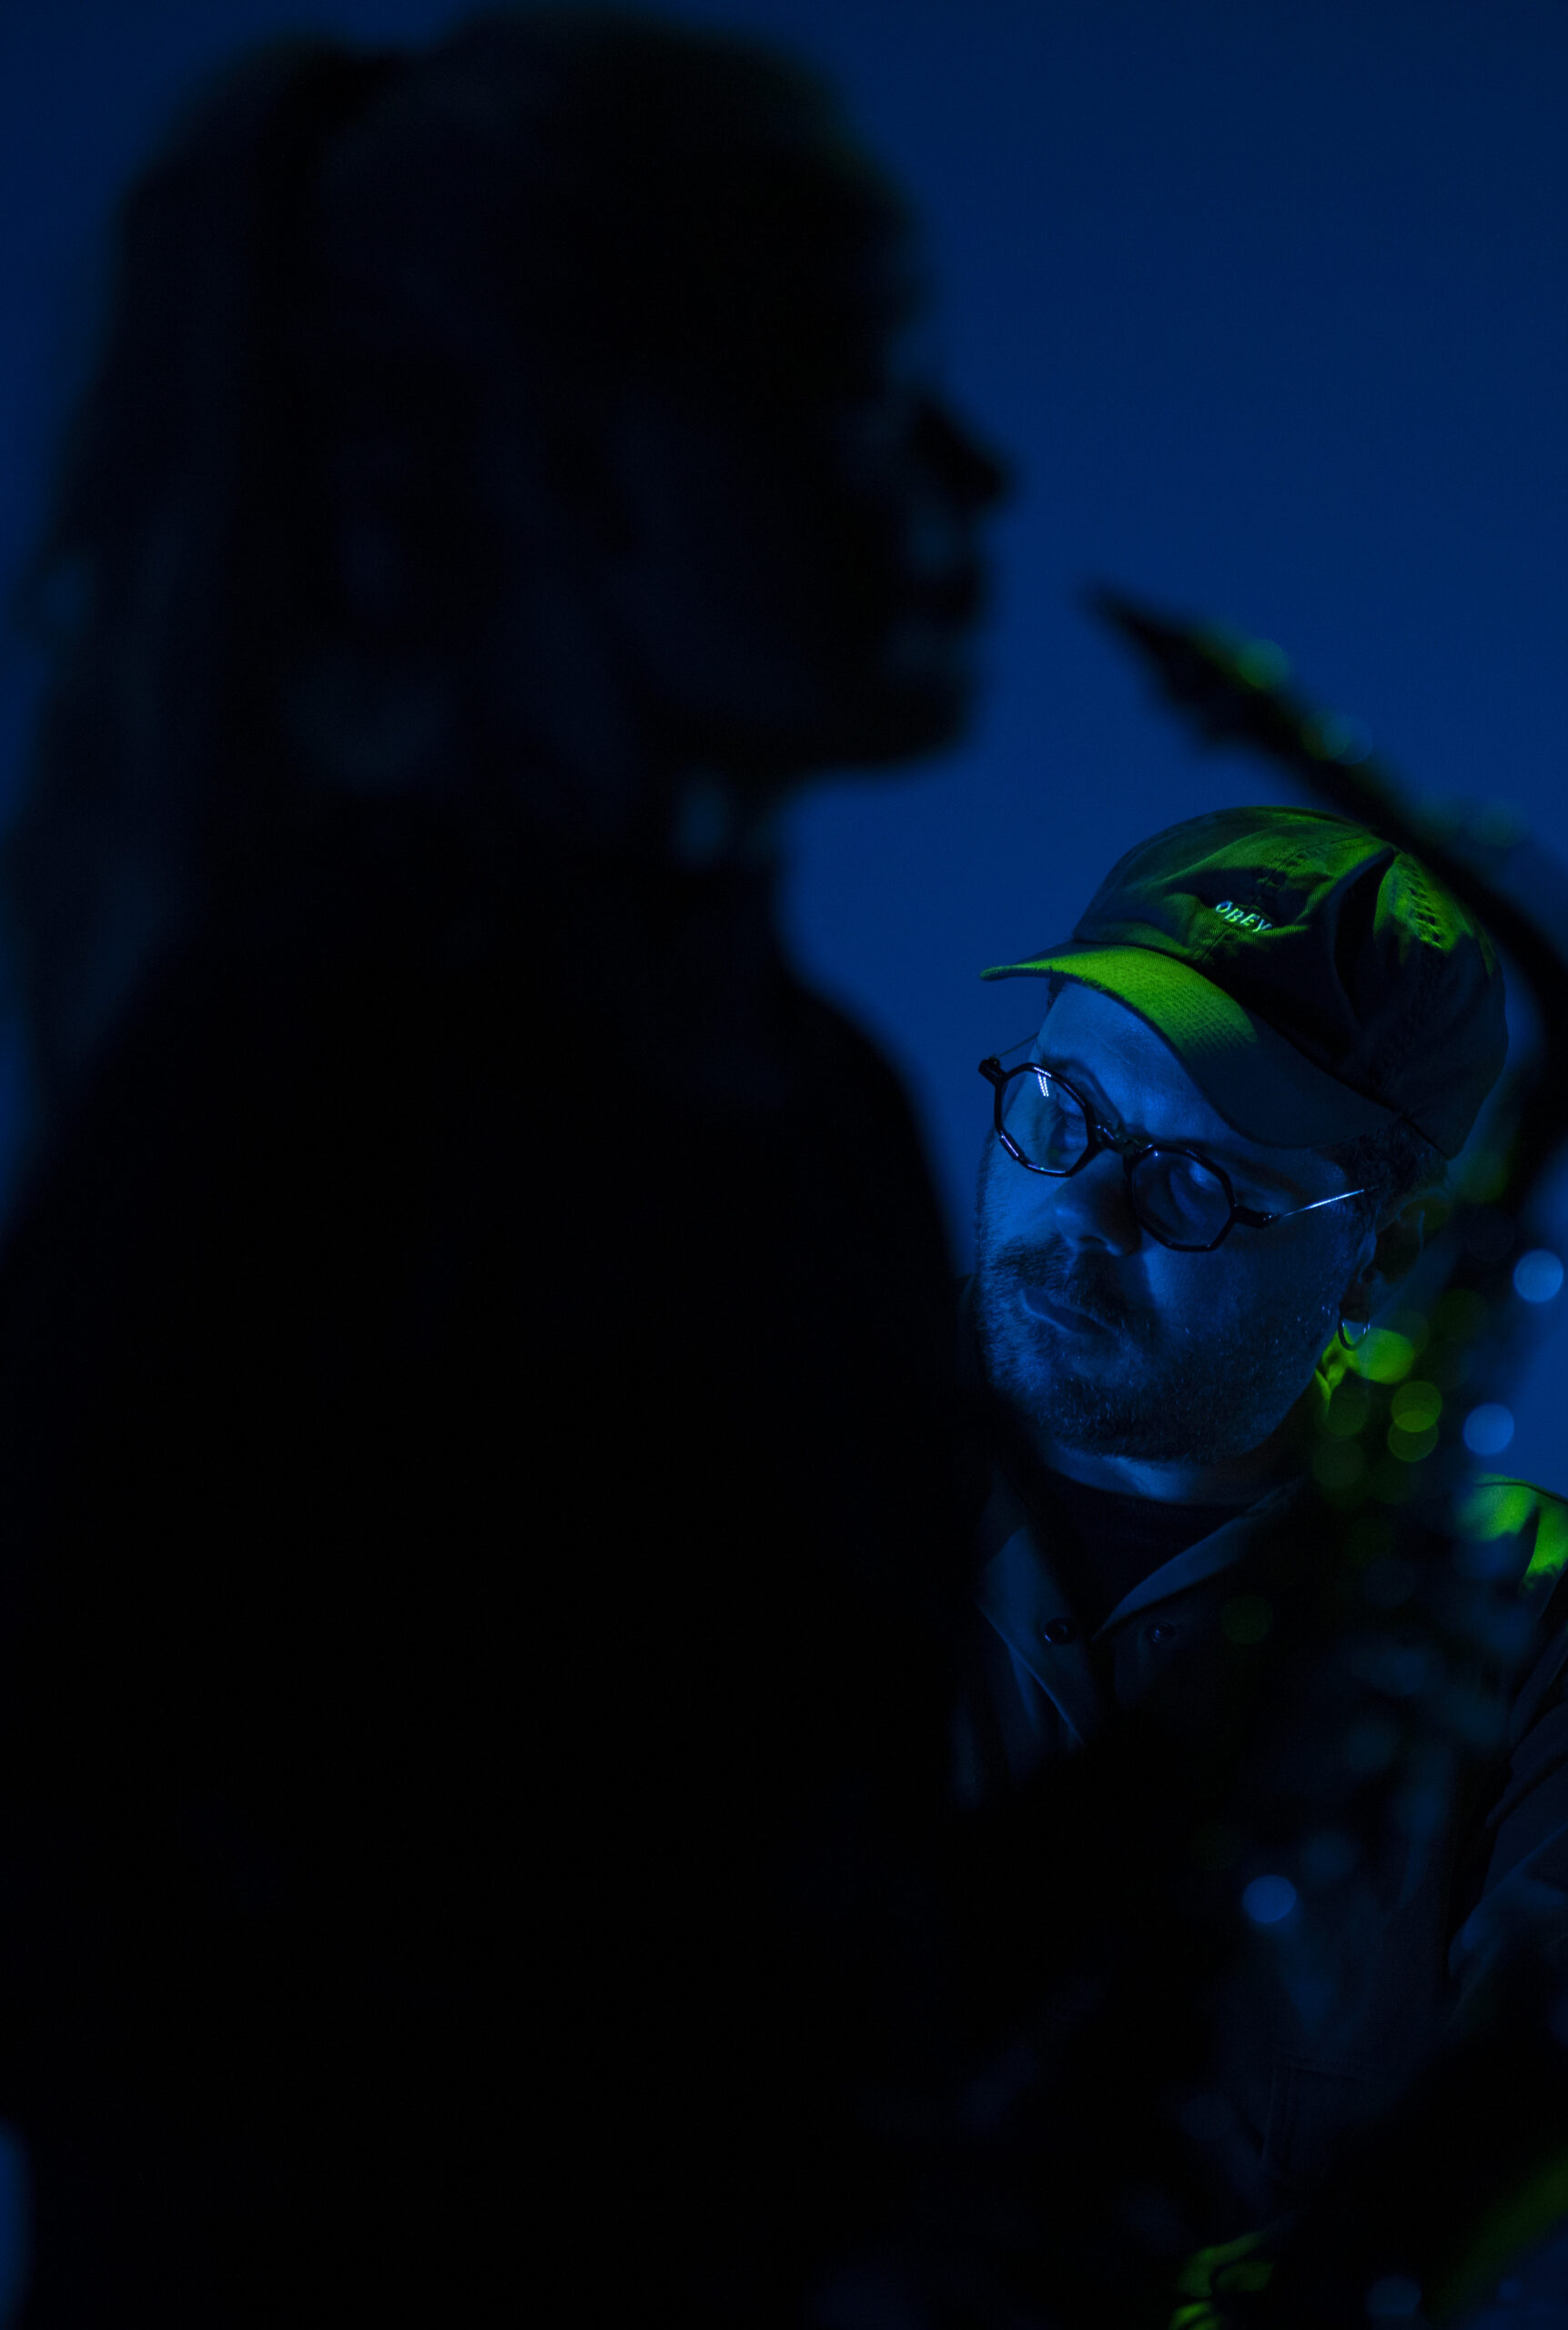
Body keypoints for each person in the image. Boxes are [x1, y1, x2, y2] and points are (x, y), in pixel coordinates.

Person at [0, 14, 1006, 2324]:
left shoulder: (816, 1094)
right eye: (858, 385)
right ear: (563, 457)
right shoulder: (299, 1067)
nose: (977, 468)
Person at [958, 803, 1568, 2228]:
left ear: (1384, 1254)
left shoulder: (1546, 1623)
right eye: (1061, 1107)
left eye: (1195, 1181)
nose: (1081, 1213)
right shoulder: (775, 1479)